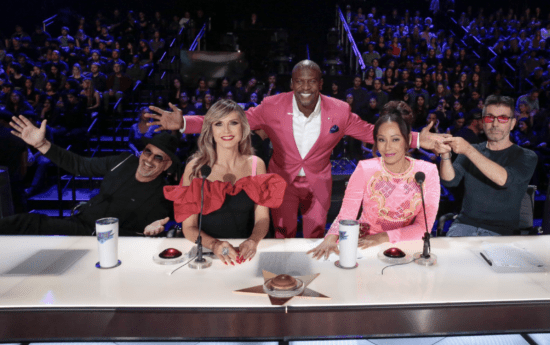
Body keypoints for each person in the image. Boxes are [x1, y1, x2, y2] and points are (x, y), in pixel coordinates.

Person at [146, 60, 442, 239]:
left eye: (311, 82)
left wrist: (417, 139)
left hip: (319, 182)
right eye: (299, 81)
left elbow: (369, 132)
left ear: (320, 83)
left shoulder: (339, 110)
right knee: (282, 234)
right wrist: (184, 122)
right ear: (292, 83)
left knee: (316, 234)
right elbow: (235, 120)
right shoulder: (272, 105)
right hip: (281, 181)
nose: (305, 87)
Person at [1, 115, 180, 236]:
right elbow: (79, 165)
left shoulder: (162, 196)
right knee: (26, 222)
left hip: (109, 241)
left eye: (158, 157)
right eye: (148, 152)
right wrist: (42, 144)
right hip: (79, 224)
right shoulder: (123, 161)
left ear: (167, 165)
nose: (149, 160)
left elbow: (149, 231)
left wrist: (148, 233)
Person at [162, 100, 286, 263]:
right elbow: (189, 228)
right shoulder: (195, 168)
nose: (226, 130)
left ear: (243, 127)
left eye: (233, 123)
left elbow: (262, 219)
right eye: (218, 124)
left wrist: (253, 240)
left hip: (246, 252)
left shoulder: (256, 164)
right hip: (207, 252)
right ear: (210, 130)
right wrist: (215, 245)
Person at [308, 111, 440, 259]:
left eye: (395, 139)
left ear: (408, 140)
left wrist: (382, 237)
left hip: (405, 245)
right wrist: (330, 238)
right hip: (363, 245)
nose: (387, 147)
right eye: (381, 140)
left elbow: (424, 227)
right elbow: (347, 214)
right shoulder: (365, 169)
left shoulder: (427, 171)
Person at [434, 95, 538, 236]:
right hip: (464, 225)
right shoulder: (471, 150)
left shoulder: (526, 156)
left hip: (501, 232)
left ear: (512, 124)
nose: (495, 124)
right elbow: (450, 180)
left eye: (502, 118)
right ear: (483, 122)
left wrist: (468, 150)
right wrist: (445, 155)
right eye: (490, 118)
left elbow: (504, 179)